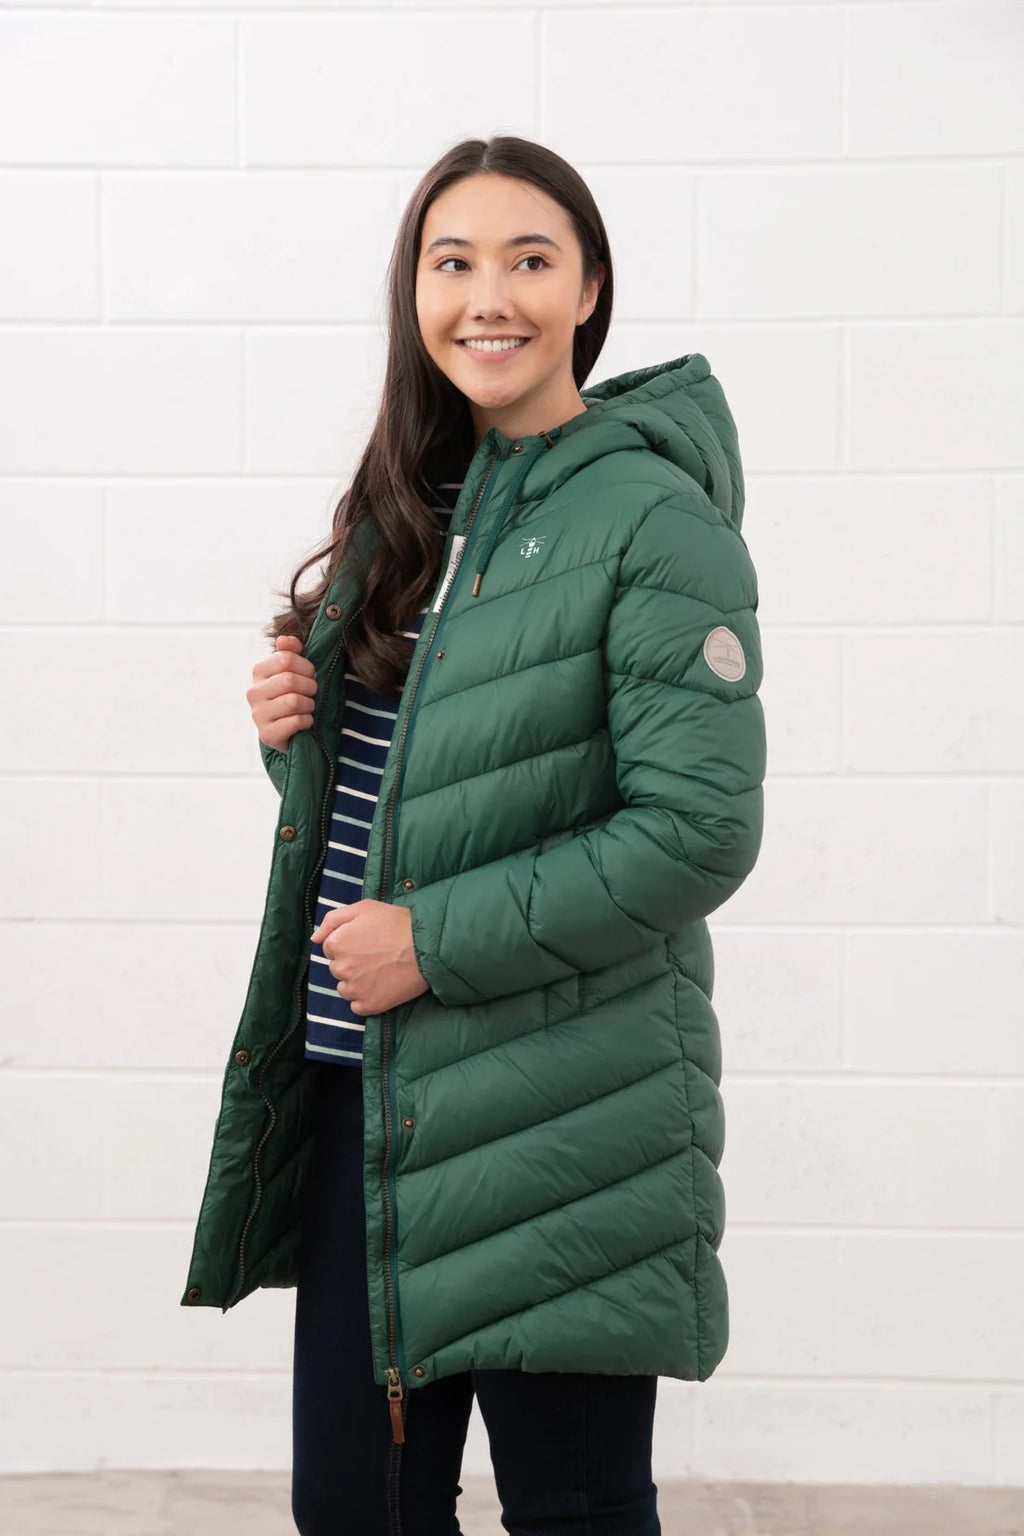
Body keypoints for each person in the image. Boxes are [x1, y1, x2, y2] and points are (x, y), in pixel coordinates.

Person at [182, 134, 767, 1536]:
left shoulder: (650, 515)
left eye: (528, 259)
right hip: (364, 1093)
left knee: (572, 1512)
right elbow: (444, 789)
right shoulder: (413, 509)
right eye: (453, 262)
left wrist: (429, 943)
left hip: (559, 1117)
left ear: (588, 288)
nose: (486, 295)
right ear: (416, 291)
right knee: (361, 1513)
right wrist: (302, 742)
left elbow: (696, 831)